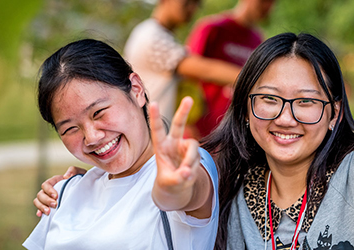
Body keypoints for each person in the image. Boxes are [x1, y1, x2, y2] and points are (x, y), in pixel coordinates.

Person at [34, 33, 354, 249]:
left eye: (307, 102)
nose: (286, 116)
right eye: (268, 99)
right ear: (245, 109)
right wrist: (72, 189)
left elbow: (184, 193)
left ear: (333, 113)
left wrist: (170, 188)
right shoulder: (235, 186)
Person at [23, 39, 219, 249]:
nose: (92, 137)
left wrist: (174, 190)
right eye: (70, 129)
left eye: (98, 112)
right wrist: (69, 188)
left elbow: (190, 193)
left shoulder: (182, 168)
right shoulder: (64, 192)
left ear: (136, 89)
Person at [124, 0, 242, 121]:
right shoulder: (152, 37)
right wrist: (252, 78)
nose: (193, 8)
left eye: (197, 4)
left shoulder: (158, 34)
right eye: (186, 2)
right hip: (149, 132)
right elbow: (207, 70)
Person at [185, 0, 275, 139]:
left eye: (272, 2)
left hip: (232, 136)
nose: (268, 7)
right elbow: (187, 74)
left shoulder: (258, 40)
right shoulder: (212, 28)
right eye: (264, 1)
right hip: (200, 132)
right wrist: (187, 124)